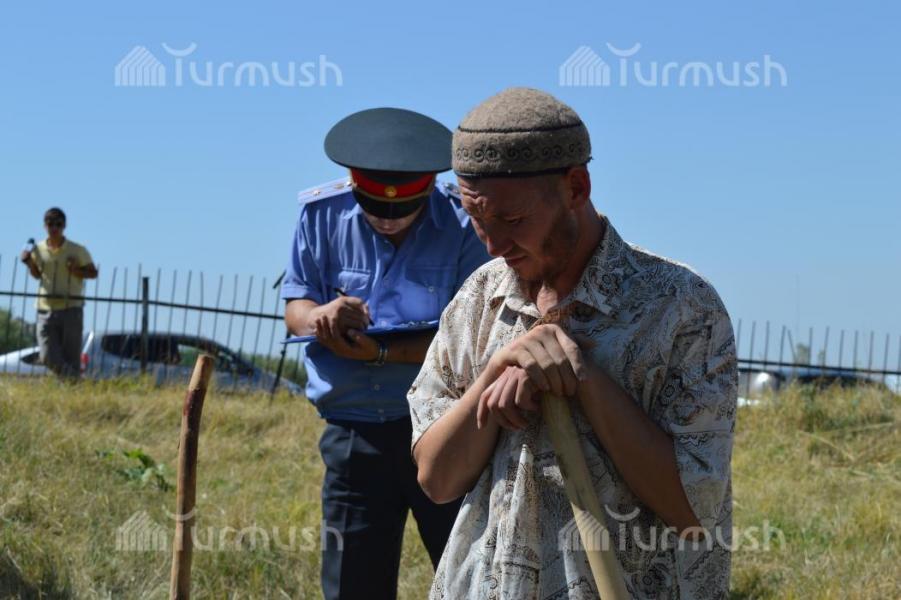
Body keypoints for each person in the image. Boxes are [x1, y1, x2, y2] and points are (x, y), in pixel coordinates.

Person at [409, 88, 738, 599]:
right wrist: (496, 374)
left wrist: (582, 375)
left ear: (576, 187)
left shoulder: (680, 307)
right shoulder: (477, 301)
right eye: (477, 219)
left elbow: (692, 512)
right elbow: (436, 480)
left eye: (512, 221)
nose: (493, 245)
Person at [280, 107, 491, 600]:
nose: (388, 219)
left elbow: (472, 336)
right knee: (354, 586)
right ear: (355, 186)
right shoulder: (321, 215)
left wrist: (377, 353)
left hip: (445, 429)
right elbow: (296, 306)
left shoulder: (465, 225)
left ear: (428, 189)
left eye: (403, 210)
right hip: (355, 435)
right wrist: (321, 318)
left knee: (469, 583)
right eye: (375, 208)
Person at [20, 207, 98, 379]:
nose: (54, 228)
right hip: (45, 309)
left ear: (64, 226)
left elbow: (93, 273)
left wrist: (76, 270)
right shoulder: (38, 249)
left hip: (71, 308)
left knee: (71, 358)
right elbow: (37, 275)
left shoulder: (77, 250)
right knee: (47, 356)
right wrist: (29, 263)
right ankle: (75, 382)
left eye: (58, 224)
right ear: (44, 226)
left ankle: (71, 389)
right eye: (50, 224)